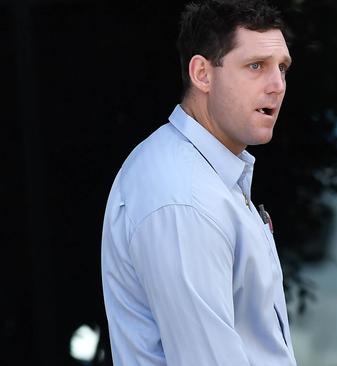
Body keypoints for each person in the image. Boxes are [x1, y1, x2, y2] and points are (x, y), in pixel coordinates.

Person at [100, 0, 296, 365]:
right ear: (202, 74)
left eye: (282, 68)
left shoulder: (206, 176)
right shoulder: (182, 196)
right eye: (256, 66)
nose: (277, 85)